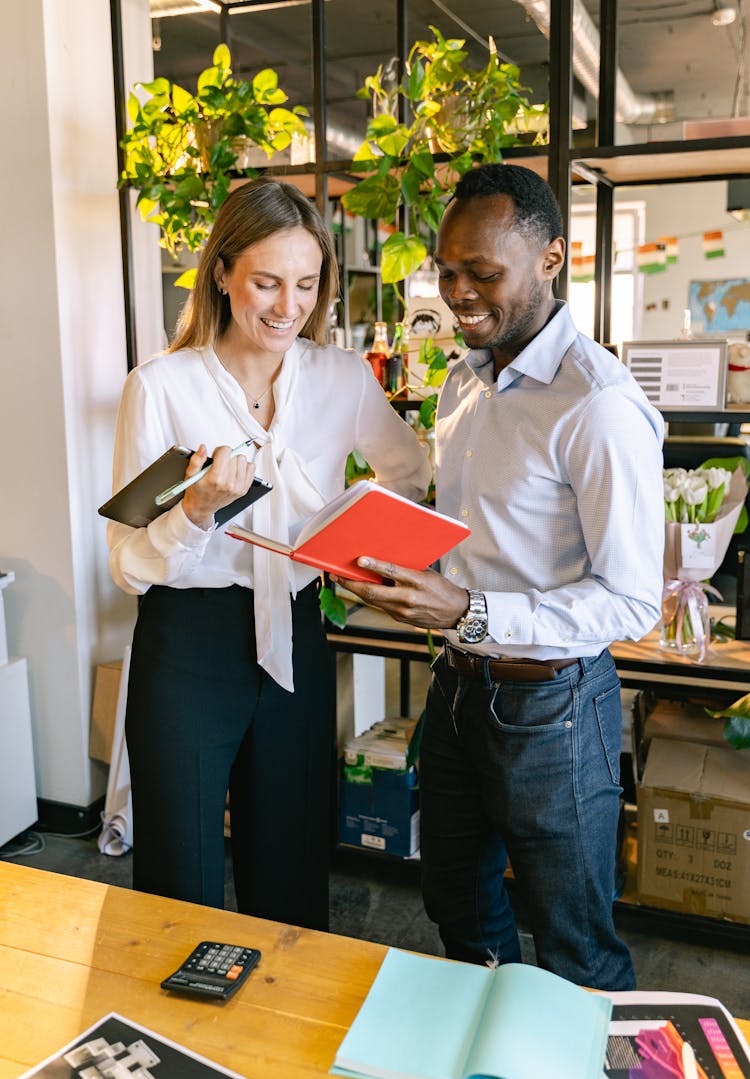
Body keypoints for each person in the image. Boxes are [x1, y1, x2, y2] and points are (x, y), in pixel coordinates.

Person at [334, 163, 665, 989]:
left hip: (550, 709)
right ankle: (492, 1073)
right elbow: (473, 540)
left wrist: (468, 607)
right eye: (448, 271)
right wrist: (390, 567)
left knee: (574, 942)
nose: (459, 293)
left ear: (553, 257)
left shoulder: (597, 405)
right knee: (456, 901)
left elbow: (630, 599)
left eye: (484, 273)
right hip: (455, 692)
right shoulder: (460, 381)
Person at [107, 178, 431, 929]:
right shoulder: (159, 387)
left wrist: (354, 554)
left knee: (290, 870)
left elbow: (409, 476)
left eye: (307, 284)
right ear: (221, 272)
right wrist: (193, 512)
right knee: (179, 877)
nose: (290, 306)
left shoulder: (341, 379)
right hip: (188, 645)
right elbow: (125, 562)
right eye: (267, 282)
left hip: (297, 632)